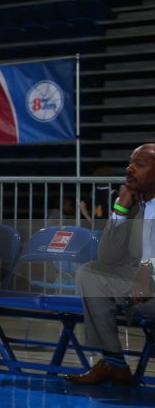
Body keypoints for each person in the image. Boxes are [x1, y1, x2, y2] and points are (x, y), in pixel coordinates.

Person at [66, 144, 155, 385]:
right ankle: (114, 363)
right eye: (130, 162)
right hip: (142, 291)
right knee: (90, 273)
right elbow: (107, 257)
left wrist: (148, 270)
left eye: (139, 164)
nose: (129, 169)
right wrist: (120, 209)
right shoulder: (136, 204)